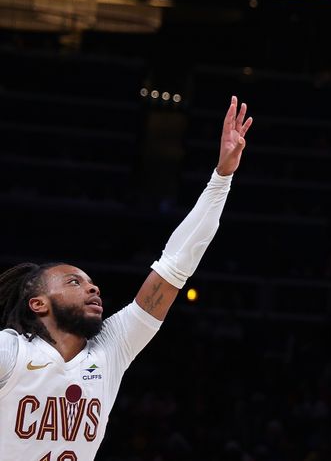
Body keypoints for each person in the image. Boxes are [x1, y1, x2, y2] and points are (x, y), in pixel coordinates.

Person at [0, 96, 253, 460]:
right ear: (38, 303)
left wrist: (221, 179)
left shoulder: (110, 349)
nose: (92, 286)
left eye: (90, 281)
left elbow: (174, 267)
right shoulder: (12, 351)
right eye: (73, 282)